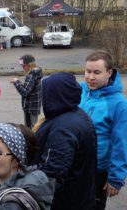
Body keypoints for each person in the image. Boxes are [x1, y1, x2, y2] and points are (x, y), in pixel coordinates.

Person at [35, 72, 97, 210]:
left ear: (55, 94)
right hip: (80, 195)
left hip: (66, 201)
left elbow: (52, 172)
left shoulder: (64, 128)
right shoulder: (74, 114)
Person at [79, 51, 127, 210]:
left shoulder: (119, 104)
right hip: (75, 165)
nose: (91, 77)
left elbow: (121, 142)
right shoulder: (81, 91)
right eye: (88, 71)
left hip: (98, 170)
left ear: (109, 73)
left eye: (96, 72)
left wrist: (115, 177)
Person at [10, 54, 42, 128]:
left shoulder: (31, 75)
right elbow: (28, 89)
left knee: (32, 129)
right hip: (33, 106)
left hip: (30, 107)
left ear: (29, 65)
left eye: (24, 65)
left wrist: (16, 82)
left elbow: (25, 92)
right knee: (33, 127)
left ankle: (33, 140)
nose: (23, 68)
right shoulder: (36, 73)